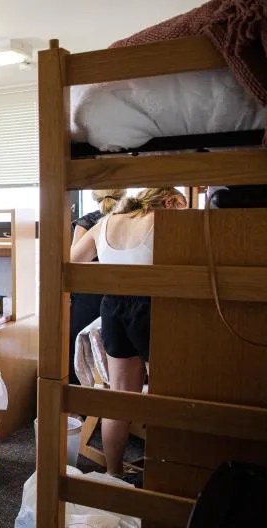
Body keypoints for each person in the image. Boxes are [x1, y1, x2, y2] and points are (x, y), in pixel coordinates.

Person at [70, 187, 187, 477]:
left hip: (112, 308)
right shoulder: (165, 221)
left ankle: (114, 474)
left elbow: (73, 260)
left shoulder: (104, 223)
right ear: (171, 202)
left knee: (119, 397)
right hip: (151, 307)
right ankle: (163, 478)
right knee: (163, 398)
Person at [68, 189, 126, 383]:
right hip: (121, 294)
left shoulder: (87, 222)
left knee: (79, 347)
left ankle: (80, 393)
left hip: (88, 294)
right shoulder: (129, 219)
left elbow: (74, 261)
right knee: (117, 354)